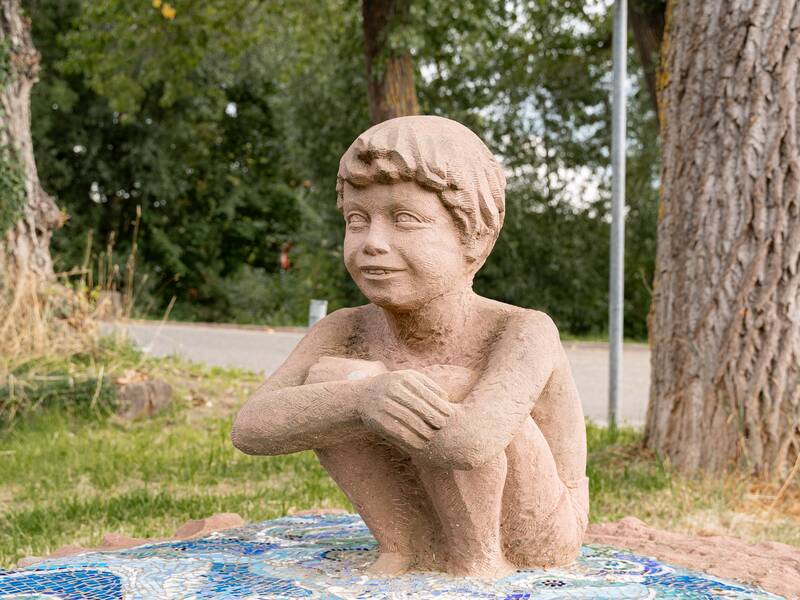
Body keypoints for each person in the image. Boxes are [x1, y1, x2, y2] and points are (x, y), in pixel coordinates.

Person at [231, 115, 588, 577]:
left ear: (474, 237)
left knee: (433, 388)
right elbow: (251, 428)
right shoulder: (347, 328)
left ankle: (477, 562)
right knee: (333, 382)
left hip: (539, 532)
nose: (373, 243)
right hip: (428, 503)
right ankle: (404, 545)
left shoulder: (522, 330)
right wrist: (360, 399)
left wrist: (390, 394)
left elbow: (470, 443)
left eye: (405, 220)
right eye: (357, 220)